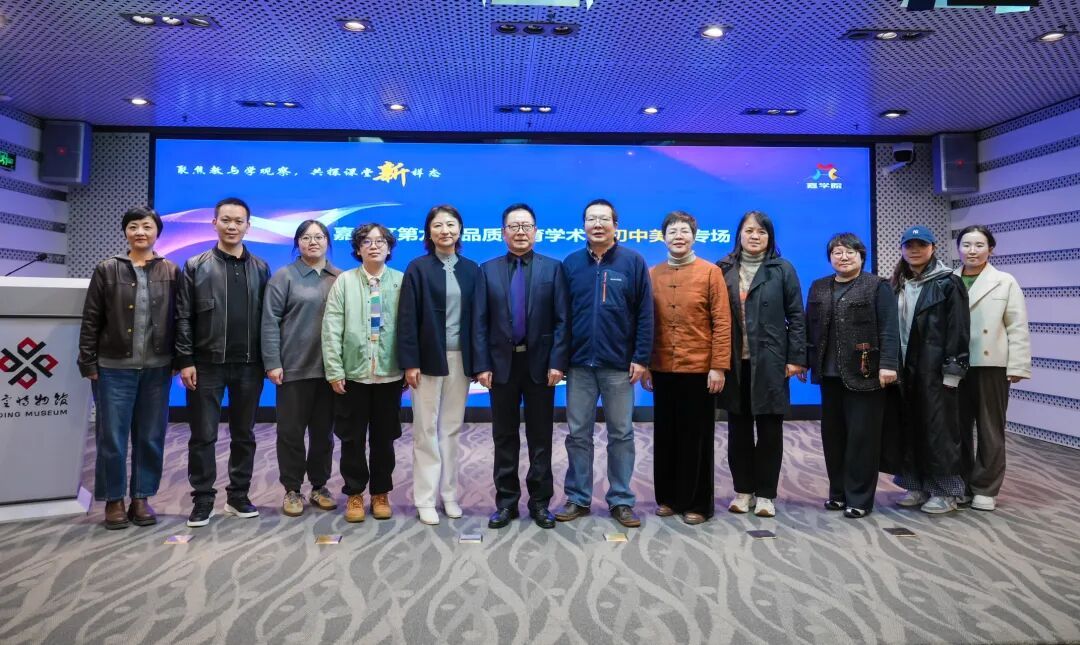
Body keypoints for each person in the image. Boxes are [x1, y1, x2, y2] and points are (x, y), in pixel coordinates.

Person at [77, 207, 178, 529]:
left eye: (146, 227)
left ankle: (141, 498)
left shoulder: (170, 271)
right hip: (113, 368)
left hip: (157, 369)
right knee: (112, 437)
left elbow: (179, 319)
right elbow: (91, 318)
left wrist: (179, 359)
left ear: (157, 232)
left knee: (150, 436)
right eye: (133, 227)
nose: (140, 232)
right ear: (125, 232)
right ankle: (113, 500)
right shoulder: (107, 269)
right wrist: (87, 361)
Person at [557, 198, 653, 529]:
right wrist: (560, 359)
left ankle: (621, 500)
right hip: (579, 365)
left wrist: (641, 357)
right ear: (583, 225)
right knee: (578, 434)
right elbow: (562, 317)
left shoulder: (633, 262)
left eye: (604, 219)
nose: (597, 224)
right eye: (591, 219)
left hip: (619, 366)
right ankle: (578, 497)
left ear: (615, 225)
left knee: (621, 434)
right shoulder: (571, 264)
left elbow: (645, 314)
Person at [472, 203, 570, 530]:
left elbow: (562, 320)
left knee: (541, 436)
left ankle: (540, 503)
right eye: (513, 226)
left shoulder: (553, 269)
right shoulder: (487, 270)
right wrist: (481, 365)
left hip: (540, 365)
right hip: (501, 365)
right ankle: (506, 502)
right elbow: (479, 322)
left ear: (536, 231)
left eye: (526, 226)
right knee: (504, 435)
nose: (520, 232)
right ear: (503, 232)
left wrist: (558, 362)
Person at [176, 197, 271, 527]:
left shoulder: (260, 268)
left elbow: (268, 319)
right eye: (226, 220)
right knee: (203, 435)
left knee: (244, 434)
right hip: (206, 364)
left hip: (249, 365)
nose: (232, 226)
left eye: (238, 221)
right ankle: (202, 498)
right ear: (214, 223)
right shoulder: (195, 265)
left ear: (248, 226)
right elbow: (183, 316)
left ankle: (238, 495)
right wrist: (185, 359)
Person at [641, 211, 731, 525]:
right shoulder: (652, 274)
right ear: (663, 237)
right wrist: (647, 364)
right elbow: (646, 323)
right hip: (662, 368)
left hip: (699, 369)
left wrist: (718, 366)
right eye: (672, 231)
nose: (678, 236)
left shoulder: (711, 273)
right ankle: (668, 498)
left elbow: (722, 322)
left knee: (697, 438)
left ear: (694, 236)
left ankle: (698, 503)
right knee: (666, 435)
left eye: (684, 231)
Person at [716, 210, 806, 518]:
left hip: (771, 362)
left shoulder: (782, 268)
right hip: (734, 363)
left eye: (762, 231)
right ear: (739, 234)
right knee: (738, 430)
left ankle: (766, 494)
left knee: (769, 431)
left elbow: (796, 316)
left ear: (770, 237)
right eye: (749, 230)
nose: (755, 236)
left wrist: (796, 358)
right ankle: (743, 491)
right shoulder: (723, 268)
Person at [805, 233, 899, 518]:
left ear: (861, 256)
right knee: (833, 437)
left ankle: (859, 498)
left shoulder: (877, 286)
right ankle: (837, 494)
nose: (843, 257)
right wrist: (804, 361)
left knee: (862, 439)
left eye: (849, 252)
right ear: (830, 257)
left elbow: (889, 328)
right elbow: (810, 327)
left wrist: (888, 364)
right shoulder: (819, 286)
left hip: (866, 373)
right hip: (829, 375)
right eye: (837, 252)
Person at [397, 205, 479, 525]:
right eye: (438, 225)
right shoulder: (417, 268)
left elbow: (479, 321)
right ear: (429, 232)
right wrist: (410, 362)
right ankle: (425, 498)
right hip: (427, 359)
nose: (445, 230)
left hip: (461, 360)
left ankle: (449, 494)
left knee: (451, 429)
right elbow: (407, 318)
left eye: (451, 224)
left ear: (460, 230)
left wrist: (479, 362)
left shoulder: (472, 269)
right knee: (425, 429)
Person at [323, 223, 406, 522]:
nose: (374, 246)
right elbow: (331, 328)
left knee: (384, 439)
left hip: (389, 375)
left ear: (389, 247)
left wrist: (408, 365)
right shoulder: (344, 282)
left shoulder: (401, 281)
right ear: (358, 249)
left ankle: (381, 492)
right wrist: (334, 370)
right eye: (367, 242)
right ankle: (355, 493)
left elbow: (410, 328)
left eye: (380, 241)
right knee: (352, 438)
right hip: (353, 375)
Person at [887, 225, 969, 514]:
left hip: (935, 369)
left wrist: (953, 371)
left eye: (921, 245)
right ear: (901, 249)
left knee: (939, 431)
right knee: (909, 425)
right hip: (904, 367)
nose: (915, 250)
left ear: (933, 248)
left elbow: (958, 329)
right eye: (909, 245)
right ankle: (916, 485)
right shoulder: (897, 283)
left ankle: (945, 492)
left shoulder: (948, 283)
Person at [262, 220, 341, 518]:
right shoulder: (284, 277)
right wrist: (272, 362)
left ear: (328, 241)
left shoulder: (340, 277)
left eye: (319, 237)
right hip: (293, 368)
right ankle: (292, 489)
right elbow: (269, 321)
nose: (313, 242)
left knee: (324, 434)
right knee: (291, 433)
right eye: (306, 237)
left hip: (330, 371)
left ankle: (319, 486)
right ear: (297, 243)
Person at [954, 225, 1030, 512]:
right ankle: (960, 483)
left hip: (991, 364)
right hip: (955, 364)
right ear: (958, 249)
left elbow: (1017, 325)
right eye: (966, 245)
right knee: (956, 428)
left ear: (991, 249)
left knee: (990, 428)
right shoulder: (949, 279)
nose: (972, 251)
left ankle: (985, 487)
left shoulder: (1004, 281)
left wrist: (1018, 364)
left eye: (979, 245)